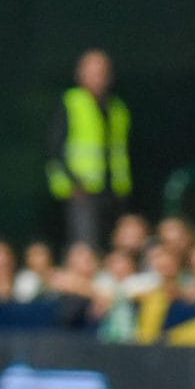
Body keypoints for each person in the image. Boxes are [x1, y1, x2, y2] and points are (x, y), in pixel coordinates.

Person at [46, 49, 129, 252]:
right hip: (82, 193)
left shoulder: (117, 108)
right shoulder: (71, 103)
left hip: (113, 193)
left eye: (102, 72)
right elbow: (54, 148)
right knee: (86, 249)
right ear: (80, 74)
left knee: (114, 249)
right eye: (92, 72)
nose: (98, 78)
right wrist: (74, 183)